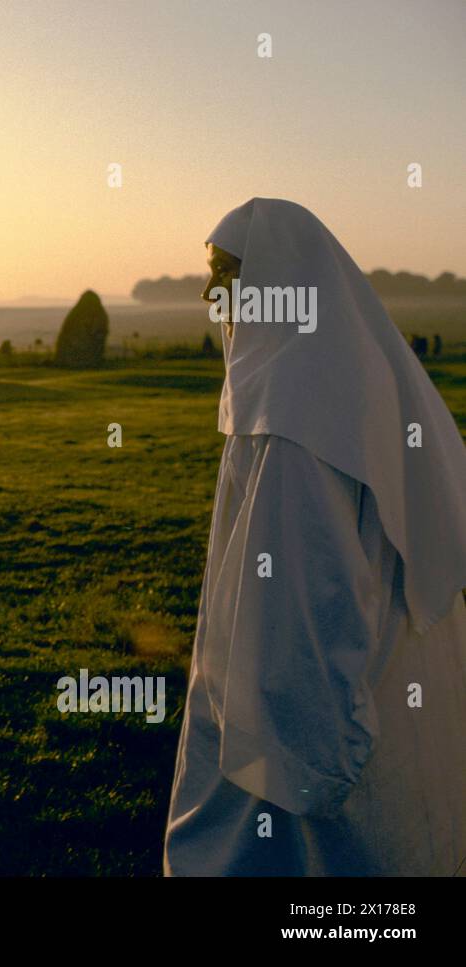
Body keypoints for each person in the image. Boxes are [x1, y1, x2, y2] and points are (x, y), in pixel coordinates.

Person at [164, 198, 466, 874]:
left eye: (227, 272)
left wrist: (298, 757)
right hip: (393, 679)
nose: (211, 292)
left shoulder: (297, 411)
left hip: (325, 713)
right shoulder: (339, 373)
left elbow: (303, 597)